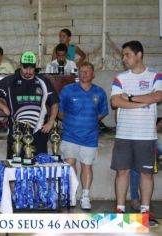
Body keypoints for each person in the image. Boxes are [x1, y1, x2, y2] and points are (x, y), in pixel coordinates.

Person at [110, 40, 161, 226]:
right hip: (124, 134)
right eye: (123, 55)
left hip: (146, 135)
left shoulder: (156, 75)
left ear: (139, 55)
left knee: (146, 174)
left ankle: (145, 210)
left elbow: (157, 96)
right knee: (122, 171)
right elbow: (115, 102)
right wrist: (143, 101)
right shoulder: (120, 77)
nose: (124, 59)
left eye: (127, 55)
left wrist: (130, 97)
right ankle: (120, 209)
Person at [0, 51, 59, 158]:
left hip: (39, 132)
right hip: (17, 133)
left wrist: (51, 121)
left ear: (35, 67)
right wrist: (4, 108)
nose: (28, 71)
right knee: (15, 166)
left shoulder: (43, 81)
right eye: (25, 68)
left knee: (39, 166)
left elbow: (55, 103)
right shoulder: (10, 81)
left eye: (31, 68)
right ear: (20, 65)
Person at [58, 61, 108, 210]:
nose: (84, 74)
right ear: (78, 74)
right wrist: (70, 122)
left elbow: (103, 112)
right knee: (70, 163)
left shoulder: (99, 92)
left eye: (88, 71)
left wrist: (89, 122)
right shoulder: (67, 90)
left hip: (90, 137)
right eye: (82, 71)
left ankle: (85, 196)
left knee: (87, 166)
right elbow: (60, 111)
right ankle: (72, 194)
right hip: (69, 136)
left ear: (93, 74)